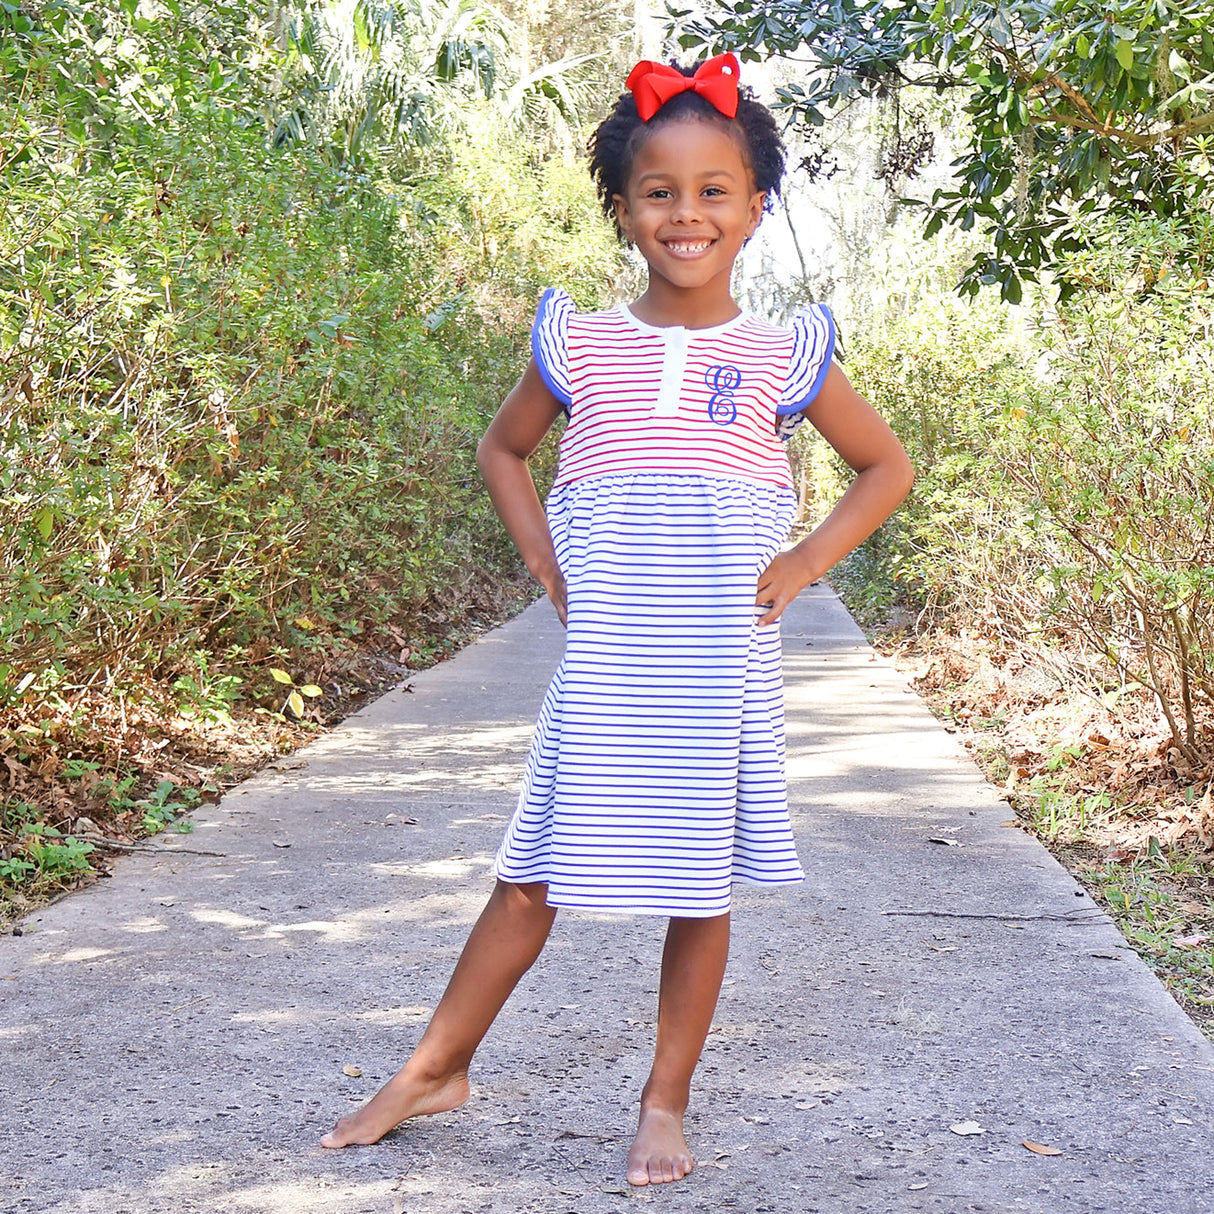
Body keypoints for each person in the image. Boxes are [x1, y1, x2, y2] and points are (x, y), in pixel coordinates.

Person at [321, 52, 914, 1186]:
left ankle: (664, 1100)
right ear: (623, 208)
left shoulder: (783, 353)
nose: (686, 213)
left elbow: (884, 466)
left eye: (713, 190)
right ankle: (435, 1067)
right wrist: (545, 558)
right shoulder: (580, 341)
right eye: (658, 191)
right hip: (610, 656)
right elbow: (503, 449)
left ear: (755, 205)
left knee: (699, 881)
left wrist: (803, 559)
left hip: (717, 662)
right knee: (533, 868)